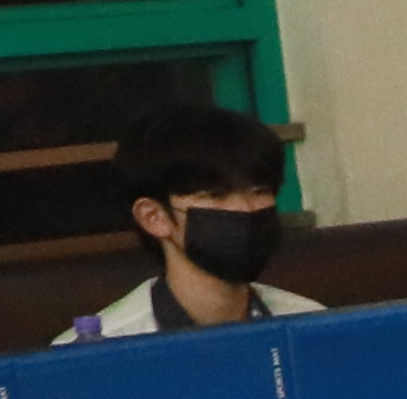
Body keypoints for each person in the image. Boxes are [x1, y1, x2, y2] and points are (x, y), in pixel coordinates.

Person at [46, 102, 317, 341]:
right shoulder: (97, 351)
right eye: (215, 195)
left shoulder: (312, 323)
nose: (246, 209)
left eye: (260, 192)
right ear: (153, 217)